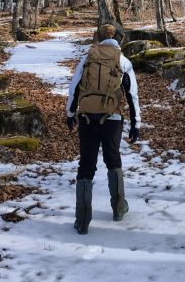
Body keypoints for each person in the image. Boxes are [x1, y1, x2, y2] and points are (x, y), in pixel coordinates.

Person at [66, 22, 141, 235]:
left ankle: (82, 220)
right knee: (113, 159)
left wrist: (71, 114)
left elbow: (74, 88)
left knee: (86, 164)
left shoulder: (88, 57)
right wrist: (136, 123)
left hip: (88, 117)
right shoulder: (123, 60)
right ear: (120, 37)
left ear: (98, 37)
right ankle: (118, 208)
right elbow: (132, 94)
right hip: (113, 117)